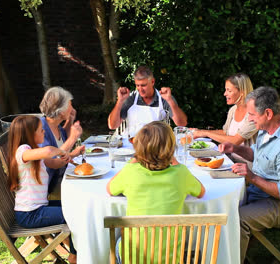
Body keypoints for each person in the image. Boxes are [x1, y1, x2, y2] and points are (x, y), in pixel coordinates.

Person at [218, 86, 280, 263]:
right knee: (221, 207)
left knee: (238, 220)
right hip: (260, 193)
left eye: (252, 114)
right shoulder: (267, 129)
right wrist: (235, 148)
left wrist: (251, 177)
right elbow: (257, 155)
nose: (249, 119)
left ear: (267, 113)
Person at [107, 121, 205, 263]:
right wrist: (176, 162)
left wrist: (133, 161)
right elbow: (201, 192)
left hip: (134, 258)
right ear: (171, 149)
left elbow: (109, 189)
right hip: (169, 259)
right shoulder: (181, 173)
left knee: (118, 240)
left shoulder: (130, 172)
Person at [7, 115, 77, 263]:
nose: (44, 132)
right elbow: (48, 152)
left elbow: (53, 163)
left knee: (75, 206)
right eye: (41, 130)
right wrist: (60, 151)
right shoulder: (22, 151)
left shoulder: (34, 152)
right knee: (74, 213)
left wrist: (65, 158)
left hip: (38, 209)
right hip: (30, 214)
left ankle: (75, 253)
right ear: (30, 134)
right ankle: (74, 256)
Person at [107, 66, 188, 136]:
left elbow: (182, 124)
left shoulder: (164, 98)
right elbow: (112, 125)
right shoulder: (131, 98)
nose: (140, 89)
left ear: (152, 81)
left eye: (143, 85)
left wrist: (170, 100)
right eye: (137, 85)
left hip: (157, 144)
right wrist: (120, 101)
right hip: (132, 144)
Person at [39, 86, 85, 200]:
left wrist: (70, 121)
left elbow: (62, 140)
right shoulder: (41, 128)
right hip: (51, 188)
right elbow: (53, 162)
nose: (72, 108)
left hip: (62, 180)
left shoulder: (55, 125)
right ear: (61, 110)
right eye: (70, 105)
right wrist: (73, 138)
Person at [192, 73, 257, 147]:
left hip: (245, 159)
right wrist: (199, 132)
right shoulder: (233, 110)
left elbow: (235, 141)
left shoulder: (253, 113)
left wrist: (206, 133)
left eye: (229, 91)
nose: (224, 94)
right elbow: (225, 133)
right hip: (229, 157)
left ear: (242, 92)